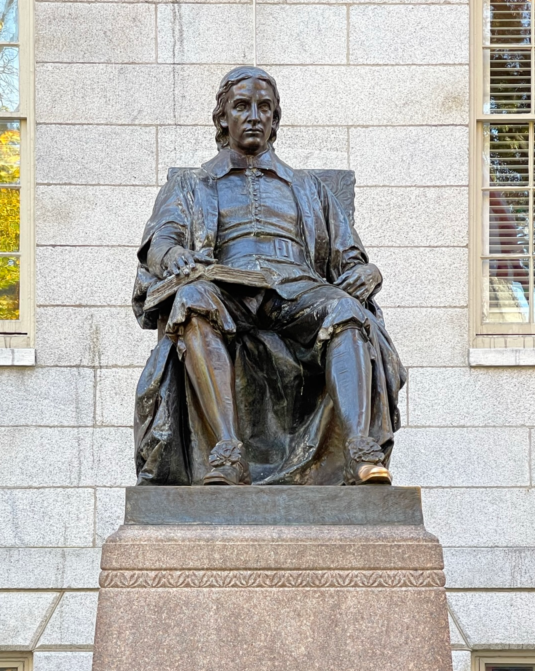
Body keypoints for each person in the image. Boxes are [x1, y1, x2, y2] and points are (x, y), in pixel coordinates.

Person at [132, 66, 407, 486]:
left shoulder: (310, 189)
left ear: (276, 120)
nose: (255, 116)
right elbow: (161, 240)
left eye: (265, 108)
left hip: (297, 288)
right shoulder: (193, 184)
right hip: (226, 285)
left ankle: (361, 453)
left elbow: (349, 257)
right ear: (223, 118)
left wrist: (369, 271)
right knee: (192, 300)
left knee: (346, 311)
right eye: (242, 106)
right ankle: (226, 454)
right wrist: (172, 256)